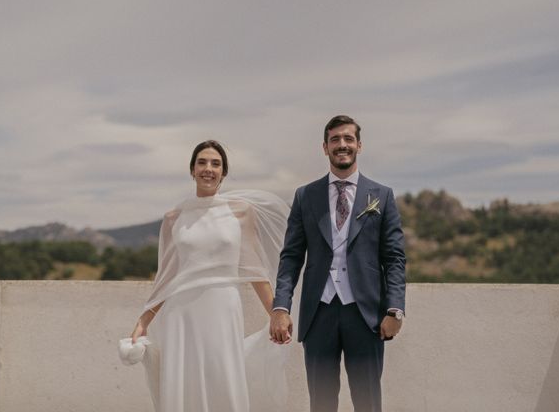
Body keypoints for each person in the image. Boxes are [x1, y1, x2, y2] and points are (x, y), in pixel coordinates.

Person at [130, 140, 290, 412]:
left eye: (215, 164)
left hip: (222, 308)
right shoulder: (173, 217)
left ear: (223, 173)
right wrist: (143, 321)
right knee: (184, 381)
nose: (208, 168)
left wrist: (276, 312)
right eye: (202, 162)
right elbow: (167, 276)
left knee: (223, 377)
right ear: (192, 170)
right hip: (182, 312)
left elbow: (254, 268)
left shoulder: (241, 212)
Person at [270, 115, 406, 412]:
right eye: (335, 139)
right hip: (319, 313)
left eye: (348, 139)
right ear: (324, 147)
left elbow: (394, 258)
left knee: (368, 401)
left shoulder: (381, 196)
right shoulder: (306, 196)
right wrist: (281, 307)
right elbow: (291, 257)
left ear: (359, 145)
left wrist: (395, 308)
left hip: (366, 314)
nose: (341, 145)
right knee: (321, 402)